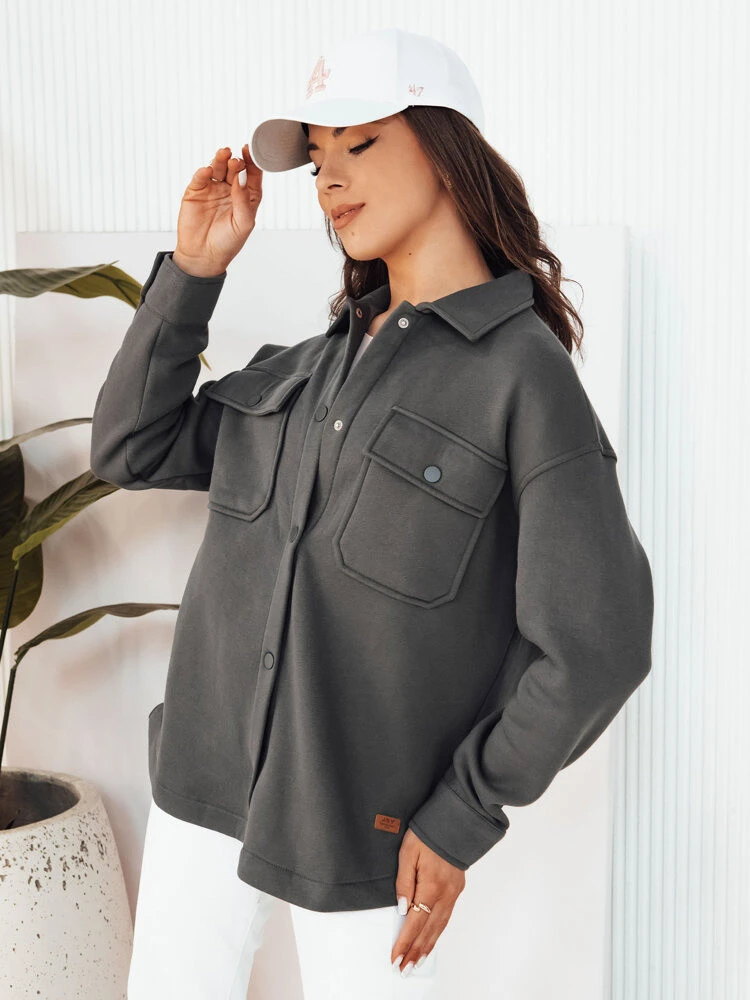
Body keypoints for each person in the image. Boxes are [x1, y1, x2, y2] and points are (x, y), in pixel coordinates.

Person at [90, 26, 654, 1000]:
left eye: (360, 142)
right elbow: (130, 447)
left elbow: (598, 642)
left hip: (370, 834)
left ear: (447, 148)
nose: (331, 179)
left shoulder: (524, 377)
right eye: (318, 159)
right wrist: (193, 268)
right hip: (200, 785)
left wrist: (462, 813)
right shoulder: (308, 371)